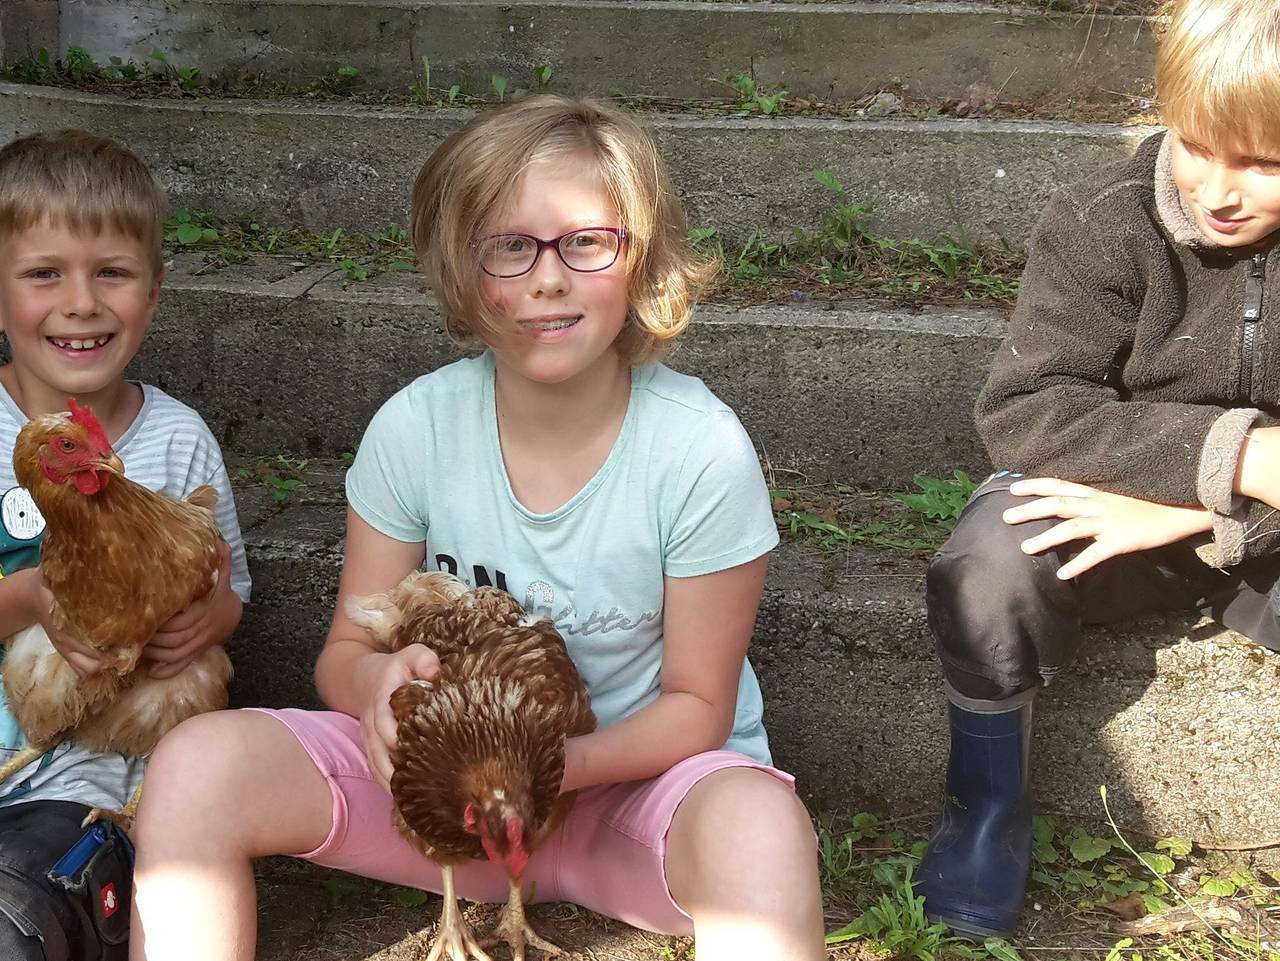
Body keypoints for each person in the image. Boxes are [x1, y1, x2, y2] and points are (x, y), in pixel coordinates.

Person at [128, 94, 824, 961]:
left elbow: (696, 708)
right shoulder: (417, 428)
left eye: (586, 241)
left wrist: (539, 771)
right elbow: (345, 650)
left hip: (634, 800)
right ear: (462, 268)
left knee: (763, 825)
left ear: (641, 259)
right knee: (196, 764)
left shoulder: (699, 450)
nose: (548, 277)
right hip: (445, 805)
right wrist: (379, 685)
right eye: (509, 245)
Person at [916, 0, 1280, 938]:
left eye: (1264, 162)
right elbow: (1029, 408)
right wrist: (1238, 456)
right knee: (990, 562)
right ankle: (985, 808)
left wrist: (1209, 513)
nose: (1219, 189)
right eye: (1199, 144)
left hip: (1257, 526)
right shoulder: (1102, 222)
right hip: (1108, 507)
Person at [0, 130, 251, 961]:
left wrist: (210, 619)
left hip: (90, 781)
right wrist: (33, 596)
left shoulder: (178, 441)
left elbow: (231, 586)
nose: (81, 303)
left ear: (154, 288)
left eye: (111, 271)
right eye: (45, 274)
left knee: (15, 922)